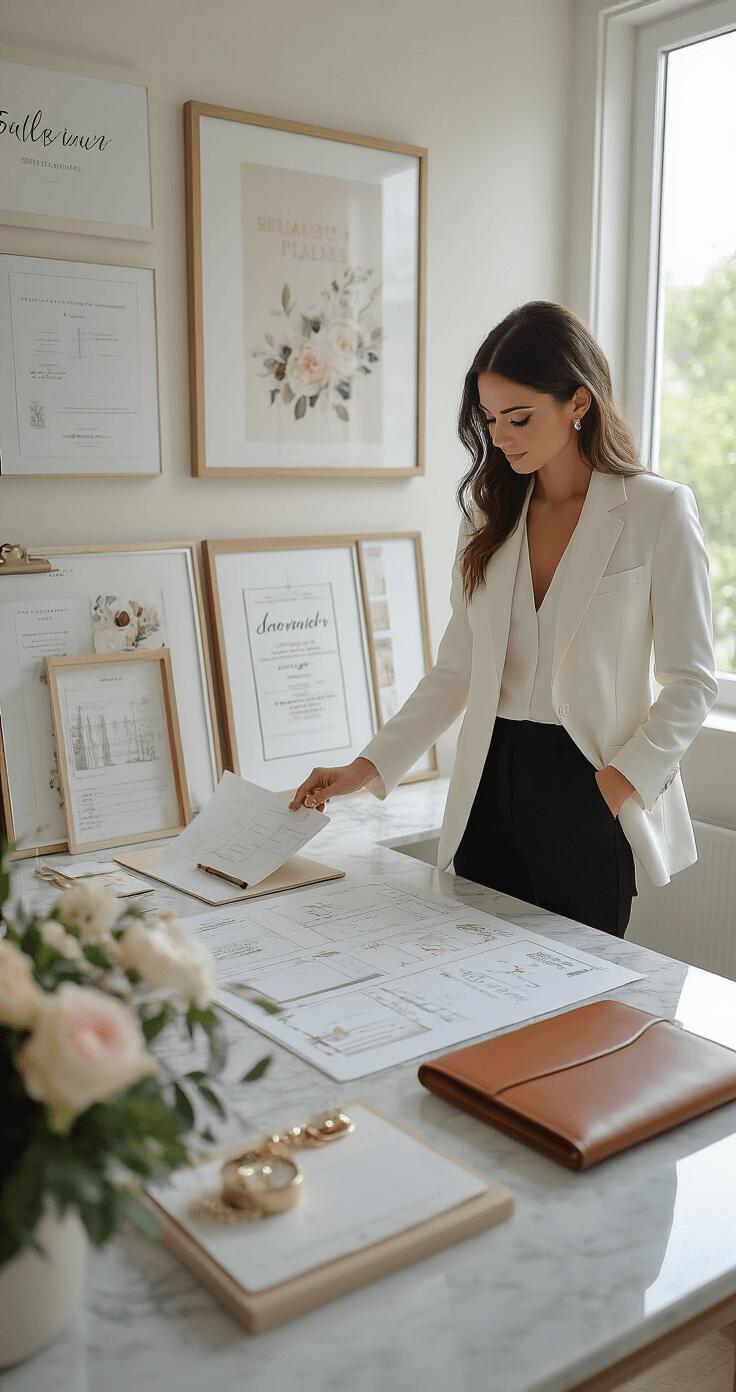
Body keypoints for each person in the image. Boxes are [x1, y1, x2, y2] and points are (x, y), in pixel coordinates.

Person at [290, 301, 718, 938]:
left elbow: (692, 682)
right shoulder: (488, 516)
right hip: (488, 785)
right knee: (477, 982)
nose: (501, 437)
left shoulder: (657, 510)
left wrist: (621, 782)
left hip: (590, 787)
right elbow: (455, 672)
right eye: (490, 420)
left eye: (519, 418)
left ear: (579, 402)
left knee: (580, 998)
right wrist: (365, 767)